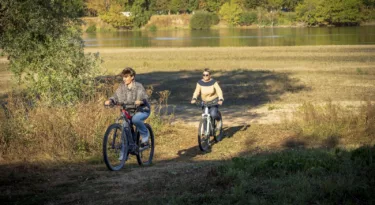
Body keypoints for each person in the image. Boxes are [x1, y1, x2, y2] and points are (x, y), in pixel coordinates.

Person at [105, 67, 150, 146]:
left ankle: (145, 136)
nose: (124, 79)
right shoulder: (122, 87)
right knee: (125, 125)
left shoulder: (138, 86)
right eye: (123, 77)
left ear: (132, 77)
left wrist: (141, 101)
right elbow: (115, 96)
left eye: (126, 77)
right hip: (129, 111)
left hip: (142, 110)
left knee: (135, 119)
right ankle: (126, 149)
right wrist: (110, 101)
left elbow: (144, 98)